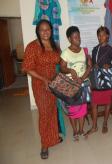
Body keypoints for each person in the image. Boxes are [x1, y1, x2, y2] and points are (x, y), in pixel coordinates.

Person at [22, 19, 61, 159]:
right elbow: (27, 68)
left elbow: (59, 61)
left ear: (51, 30)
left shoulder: (54, 45)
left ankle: (53, 138)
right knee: (44, 114)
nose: (45, 32)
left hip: (53, 83)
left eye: (48, 29)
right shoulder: (32, 46)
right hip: (40, 84)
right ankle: (44, 144)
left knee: (52, 111)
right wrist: (45, 80)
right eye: (42, 30)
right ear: (37, 31)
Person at [60, 26, 92, 141]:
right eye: (75, 37)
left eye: (78, 36)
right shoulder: (65, 53)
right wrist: (70, 70)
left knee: (83, 108)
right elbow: (62, 68)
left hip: (83, 84)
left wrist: (82, 78)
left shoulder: (83, 51)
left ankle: (81, 129)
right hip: (71, 85)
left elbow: (88, 67)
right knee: (73, 109)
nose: (78, 39)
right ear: (69, 39)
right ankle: (74, 130)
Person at [85, 26, 112, 136]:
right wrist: (93, 64)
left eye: (102, 35)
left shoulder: (111, 49)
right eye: (99, 35)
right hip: (96, 80)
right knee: (94, 104)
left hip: (106, 80)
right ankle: (94, 126)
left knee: (107, 103)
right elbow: (93, 65)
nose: (100, 37)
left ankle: (105, 123)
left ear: (107, 36)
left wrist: (110, 65)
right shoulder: (95, 49)